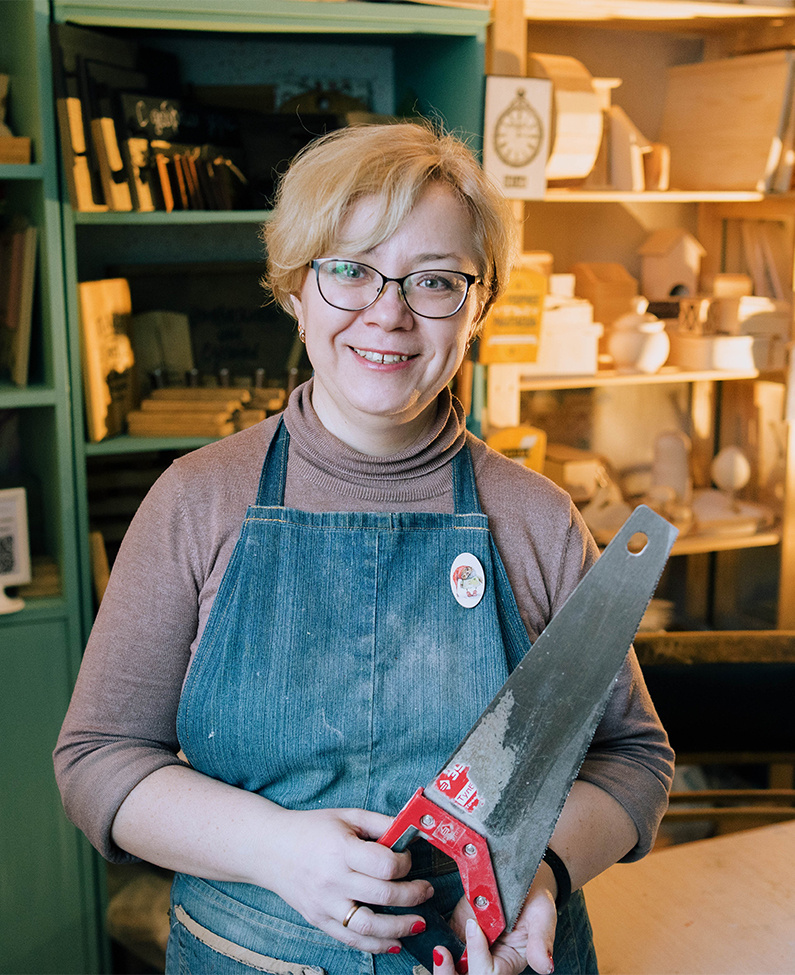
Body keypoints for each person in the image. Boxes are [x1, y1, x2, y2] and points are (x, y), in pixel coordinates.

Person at [55, 121, 674, 975]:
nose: (388, 313)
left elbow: (632, 757)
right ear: (293, 288)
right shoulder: (195, 501)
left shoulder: (536, 519)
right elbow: (98, 761)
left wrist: (537, 876)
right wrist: (273, 847)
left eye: (433, 281)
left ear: (479, 304)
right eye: (348, 269)